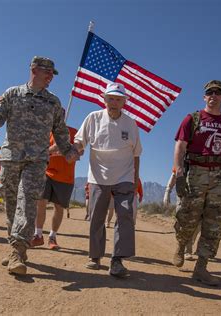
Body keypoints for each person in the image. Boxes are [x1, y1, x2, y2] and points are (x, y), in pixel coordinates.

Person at [0, 56, 79, 275]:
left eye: (52, 73)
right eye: (46, 72)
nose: (50, 76)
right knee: (12, 204)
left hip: (37, 160)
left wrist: (69, 151)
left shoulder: (53, 102)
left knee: (28, 202)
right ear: (33, 69)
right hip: (10, 158)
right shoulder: (13, 94)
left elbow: (60, 131)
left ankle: (18, 251)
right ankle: (15, 245)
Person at [169, 80, 221, 286]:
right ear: (204, 97)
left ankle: (201, 267)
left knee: (214, 221)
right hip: (196, 172)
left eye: (217, 92)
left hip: (219, 174)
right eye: (209, 92)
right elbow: (180, 147)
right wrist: (180, 174)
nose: (213, 95)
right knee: (187, 215)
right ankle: (181, 244)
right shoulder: (192, 119)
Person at [74, 82, 142, 278]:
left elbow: (136, 154)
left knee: (125, 216)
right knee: (97, 216)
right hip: (98, 175)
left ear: (124, 103)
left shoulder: (131, 124)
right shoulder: (93, 118)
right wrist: (75, 149)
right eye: (110, 98)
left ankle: (117, 261)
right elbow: (80, 141)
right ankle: (95, 257)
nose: (114, 102)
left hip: (125, 176)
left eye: (118, 99)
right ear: (104, 99)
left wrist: (135, 180)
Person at [32, 126, 78, 250]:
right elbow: (39, 152)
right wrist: (52, 149)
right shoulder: (46, 133)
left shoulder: (74, 132)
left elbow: (80, 153)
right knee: (41, 202)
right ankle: (38, 235)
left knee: (58, 207)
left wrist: (68, 151)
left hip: (65, 177)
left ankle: (52, 237)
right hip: (47, 173)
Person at [164, 175, 199, 261]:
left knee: (197, 225)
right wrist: (168, 191)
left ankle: (187, 246)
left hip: (200, 194)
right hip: (184, 194)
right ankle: (184, 248)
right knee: (184, 222)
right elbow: (175, 173)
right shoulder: (184, 161)